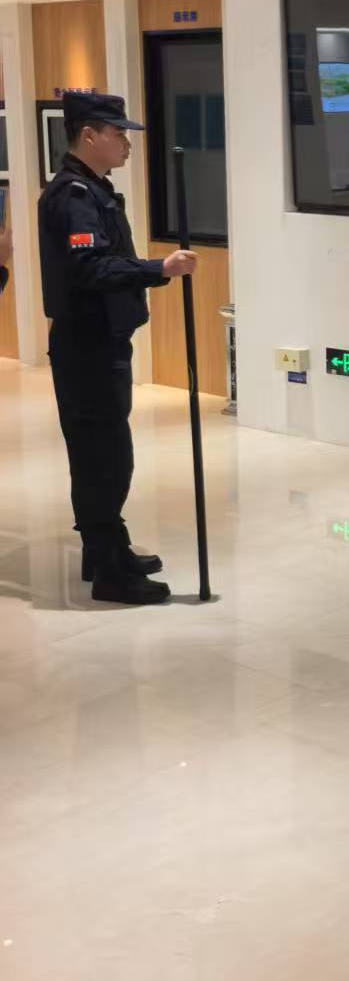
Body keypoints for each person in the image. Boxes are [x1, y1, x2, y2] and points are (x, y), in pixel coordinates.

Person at [38, 90, 198, 605]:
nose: (127, 144)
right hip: (86, 345)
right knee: (103, 457)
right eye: (118, 134)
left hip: (101, 341)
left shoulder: (93, 190)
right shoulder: (73, 196)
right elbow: (90, 268)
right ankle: (109, 570)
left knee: (105, 453)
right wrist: (158, 268)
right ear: (89, 135)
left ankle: (106, 549)